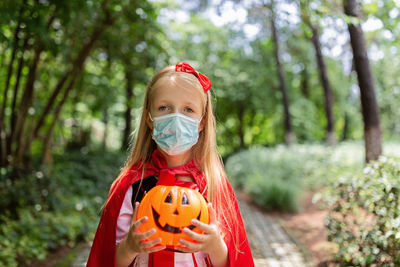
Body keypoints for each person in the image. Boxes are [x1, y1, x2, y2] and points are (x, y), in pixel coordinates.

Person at [87, 62, 254, 267]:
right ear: (149, 118)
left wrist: (214, 245)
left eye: (188, 109)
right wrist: (130, 246)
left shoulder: (213, 185)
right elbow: (108, 259)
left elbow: (235, 261)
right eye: (164, 108)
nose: (176, 117)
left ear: (201, 122)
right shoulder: (132, 184)